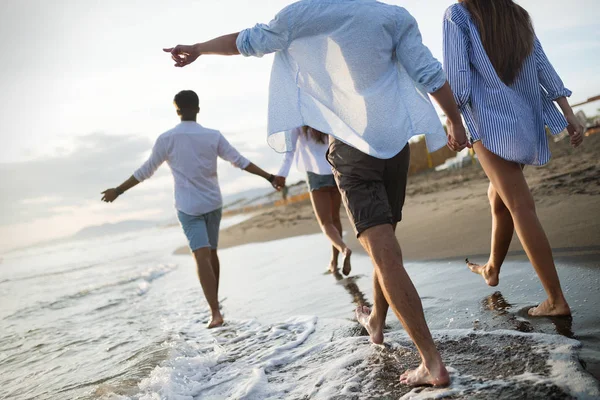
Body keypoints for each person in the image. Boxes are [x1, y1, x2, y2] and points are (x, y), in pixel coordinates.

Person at [163, 1, 469, 387]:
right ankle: (376, 321)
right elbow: (428, 72)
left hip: (353, 152)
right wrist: (454, 121)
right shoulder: (392, 16)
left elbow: (245, 42)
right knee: (385, 248)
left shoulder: (301, 15)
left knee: (385, 255)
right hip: (395, 148)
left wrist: (198, 48)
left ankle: (431, 363)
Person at [443, 0, 584, 317]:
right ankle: (492, 268)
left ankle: (556, 300)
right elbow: (542, 65)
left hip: (488, 123)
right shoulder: (517, 15)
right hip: (524, 119)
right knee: (499, 194)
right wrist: (568, 113)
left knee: (519, 204)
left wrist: (454, 120)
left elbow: (459, 78)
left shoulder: (458, 14)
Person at [100, 90, 281, 329]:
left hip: (188, 207)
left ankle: (215, 311)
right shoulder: (212, 135)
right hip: (213, 202)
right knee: (211, 253)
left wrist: (119, 190)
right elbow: (240, 161)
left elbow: (146, 170)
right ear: (197, 108)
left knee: (201, 255)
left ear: (177, 111)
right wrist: (269, 176)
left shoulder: (167, 139)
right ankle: (216, 306)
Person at [274, 126, 352, 276]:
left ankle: (343, 249)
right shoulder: (322, 116)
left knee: (326, 223)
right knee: (335, 219)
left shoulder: (298, 125)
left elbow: (289, 153)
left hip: (315, 176)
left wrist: (282, 175)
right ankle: (334, 262)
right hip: (334, 169)